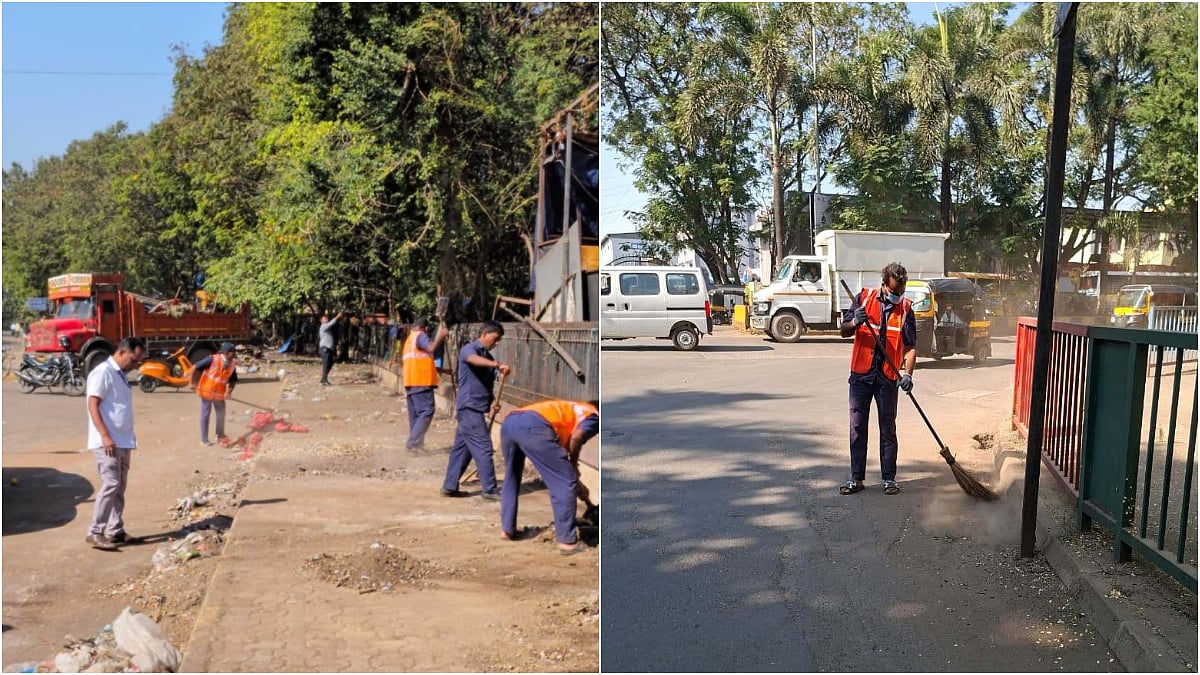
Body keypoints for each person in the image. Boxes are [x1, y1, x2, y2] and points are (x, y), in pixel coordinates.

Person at [838, 262, 917, 496]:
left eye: (900, 292)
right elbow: (843, 330)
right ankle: (856, 478)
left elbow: (910, 347)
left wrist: (908, 374)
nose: (897, 296)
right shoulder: (863, 298)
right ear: (883, 284)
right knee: (857, 428)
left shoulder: (905, 309)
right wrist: (855, 321)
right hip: (861, 376)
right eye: (893, 292)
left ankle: (889, 479)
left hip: (887, 379)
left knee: (887, 429)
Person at [499, 399, 599, 555]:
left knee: (512, 476)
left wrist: (573, 473)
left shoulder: (573, 408)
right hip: (534, 426)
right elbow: (577, 437)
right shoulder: (594, 416)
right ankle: (567, 542)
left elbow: (557, 451)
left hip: (510, 423)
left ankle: (507, 530)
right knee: (565, 481)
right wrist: (572, 466)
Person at [84, 337, 146, 550]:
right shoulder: (103, 372)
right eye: (134, 359)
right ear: (122, 352)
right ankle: (95, 532)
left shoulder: (120, 375)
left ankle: (115, 530)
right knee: (110, 484)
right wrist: (105, 435)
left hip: (123, 440)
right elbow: (93, 404)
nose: (135, 365)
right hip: (108, 441)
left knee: (119, 486)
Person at [441, 321, 510, 500]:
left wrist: (492, 401)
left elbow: (484, 385)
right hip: (469, 408)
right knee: (484, 448)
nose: (496, 343)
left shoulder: (485, 355)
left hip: (475, 408)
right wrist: (496, 364)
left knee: (462, 450)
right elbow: (472, 360)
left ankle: (449, 486)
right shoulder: (469, 349)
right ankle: (489, 489)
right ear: (485, 334)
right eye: (495, 339)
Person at [402, 317, 450, 450]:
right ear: (426, 328)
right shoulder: (420, 335)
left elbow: (419, 361)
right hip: (421, 381)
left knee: (417, 416)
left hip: (411, 382)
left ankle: (417, 446)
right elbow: (431, 348)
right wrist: (442, 335)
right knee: (426, 411)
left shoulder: (409, 339)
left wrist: (444, 370)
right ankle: (413, 443)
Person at [189, 342, 238, 446]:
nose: (234, 354)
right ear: (226, 353)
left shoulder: (232, 364)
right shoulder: (212, 359)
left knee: (221, 413)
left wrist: (228, 392)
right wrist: (192, 382)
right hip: (207, 391)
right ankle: (204, 439)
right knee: (205, 414)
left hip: (219, 394)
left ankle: (220, 435)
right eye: (233, 352)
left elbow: (233, 380)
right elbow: (195, 367)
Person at [318, 311, 343, 385]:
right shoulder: (323, 326)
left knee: (330, 362)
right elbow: (331, 323)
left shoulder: (327, 328)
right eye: (325, 319)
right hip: (324, 348)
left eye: (327, 319)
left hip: (328, 348)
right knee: (326, 363)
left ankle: (323, 378)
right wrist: (337, 316)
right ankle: (324, 380)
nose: (326, 320)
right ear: (321, 321)